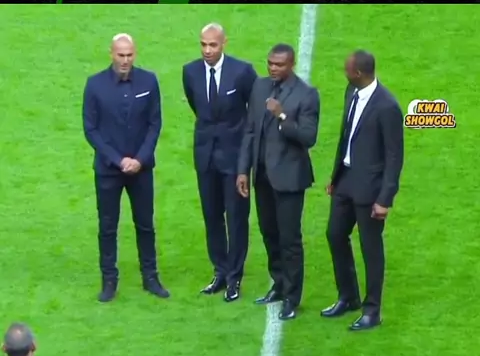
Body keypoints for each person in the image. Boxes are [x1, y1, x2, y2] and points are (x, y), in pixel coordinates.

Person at [82, 33, 169, 302]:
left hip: (141, 169)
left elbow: (155, 123)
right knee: (107, 227)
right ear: (111, 53)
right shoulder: (95, 85)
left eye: (129, 55)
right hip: (109, 170)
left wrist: (140, 159)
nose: (125, 60)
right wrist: (118, 160)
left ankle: (150, 277)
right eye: (121, 55)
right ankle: (109, 281)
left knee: (145, 224)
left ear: (135, 53)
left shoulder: (149, 81)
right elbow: (91, 129)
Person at [321, 50, 404, 330]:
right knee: (335, 234)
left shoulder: (387, 106)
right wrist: (335, 176)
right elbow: (345, 136)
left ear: (358, 73)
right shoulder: (351, 91)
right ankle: (348, 297)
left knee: (370, 249)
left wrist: (385, 199)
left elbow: (394, 156)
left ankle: (372, 311)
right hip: (345, 180)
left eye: (347, 69)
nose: (344, 73)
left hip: (370, 190)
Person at [237, 44, 320, 321]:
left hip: (289, 179)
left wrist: (282, 116)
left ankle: (292, 298)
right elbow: (250, 130)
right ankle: (279, 283)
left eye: (279, 64)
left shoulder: (306, 94)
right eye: (270, 63)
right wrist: (243, 170)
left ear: (291, 64)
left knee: (289, 239)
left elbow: (308, 137)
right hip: (262, 177)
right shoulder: (259, 87)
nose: (273, 68)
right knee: (269, 233)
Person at [182, 23, 257, 301]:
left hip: (235, 160)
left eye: (212, 45)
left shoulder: (243, 71)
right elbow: (197, 107)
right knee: (212, 217)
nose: (207, 50)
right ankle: (220, 272)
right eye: (203, 44)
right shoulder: (190, 71)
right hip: (205, 157)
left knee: (236, 218)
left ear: (224, 43)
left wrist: (245, 162)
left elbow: (254, 112)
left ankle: (235, 277)